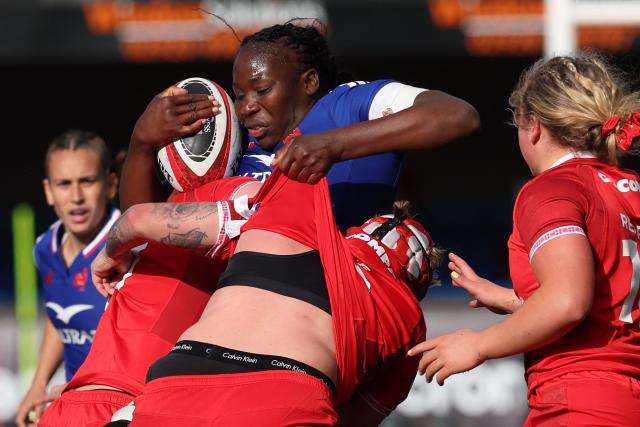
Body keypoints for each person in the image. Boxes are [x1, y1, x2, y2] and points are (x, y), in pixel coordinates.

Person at [41, 21, 477, 425]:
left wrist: (334, 145)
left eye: (262, 89)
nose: (248, 106)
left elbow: (458, 115)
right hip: (203, 364)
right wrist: (142, 142)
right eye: (239, 94)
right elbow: (157, 244)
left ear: (308, 82)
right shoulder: (234, 150)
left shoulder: (349, 104)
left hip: (315, 340)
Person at [91, 166, 443, 426]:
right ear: (417, 286)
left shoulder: (290, 225)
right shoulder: (410, 319)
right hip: (285, 392)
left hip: (180, 375)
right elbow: (356, 420)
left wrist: (110, 254)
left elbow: (137, 218)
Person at [409, 53, 640, 426]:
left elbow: (567, 303)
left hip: (581, 402)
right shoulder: (630, 190)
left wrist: (477, 344)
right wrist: (512, 301)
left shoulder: (552, 189)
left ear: (533, 125)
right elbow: (609, 307)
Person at [15, 130, 119, 427]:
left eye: (87, 181)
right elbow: (58, 314)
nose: (76, 197)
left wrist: (85, 391)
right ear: (48, 191)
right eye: (64, 184)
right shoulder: (43, 248)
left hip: (121, 405)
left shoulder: (130, 248)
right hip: (73, 403)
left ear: (111, 184)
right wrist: (37, 386)